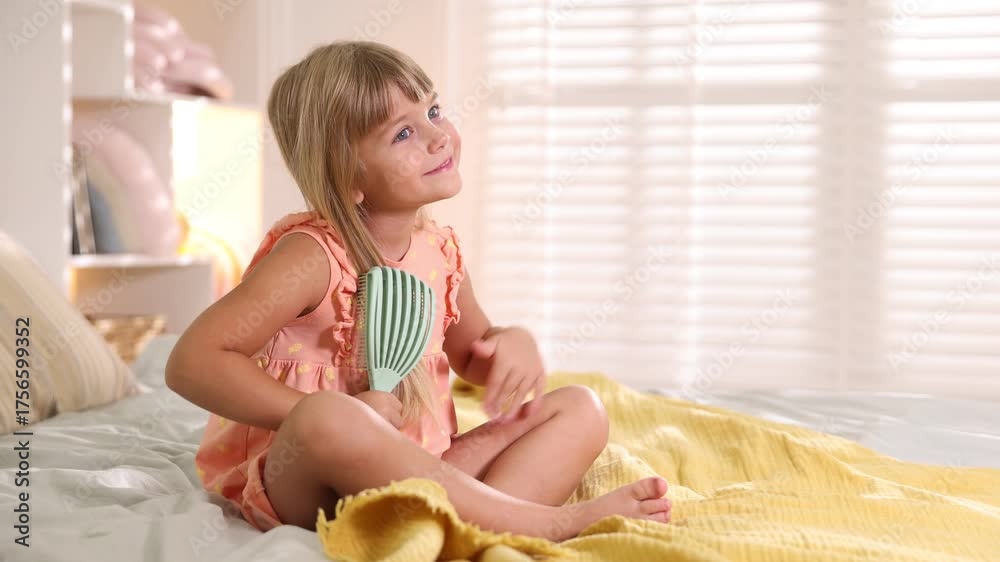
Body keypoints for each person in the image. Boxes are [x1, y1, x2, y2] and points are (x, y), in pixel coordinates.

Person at [166, 40, 671, 541]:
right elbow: (193, 363)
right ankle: (538, 524)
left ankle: (465, 531)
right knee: (328, 417)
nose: (438, 137)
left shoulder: (440, 254)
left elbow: (474, 352)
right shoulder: (311, 257)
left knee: (581, 407)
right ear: (347, 175)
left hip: (421, 471)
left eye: (433, 111)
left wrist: (510, 343)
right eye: (403, 133)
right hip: (305, 484)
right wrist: (322, 412)